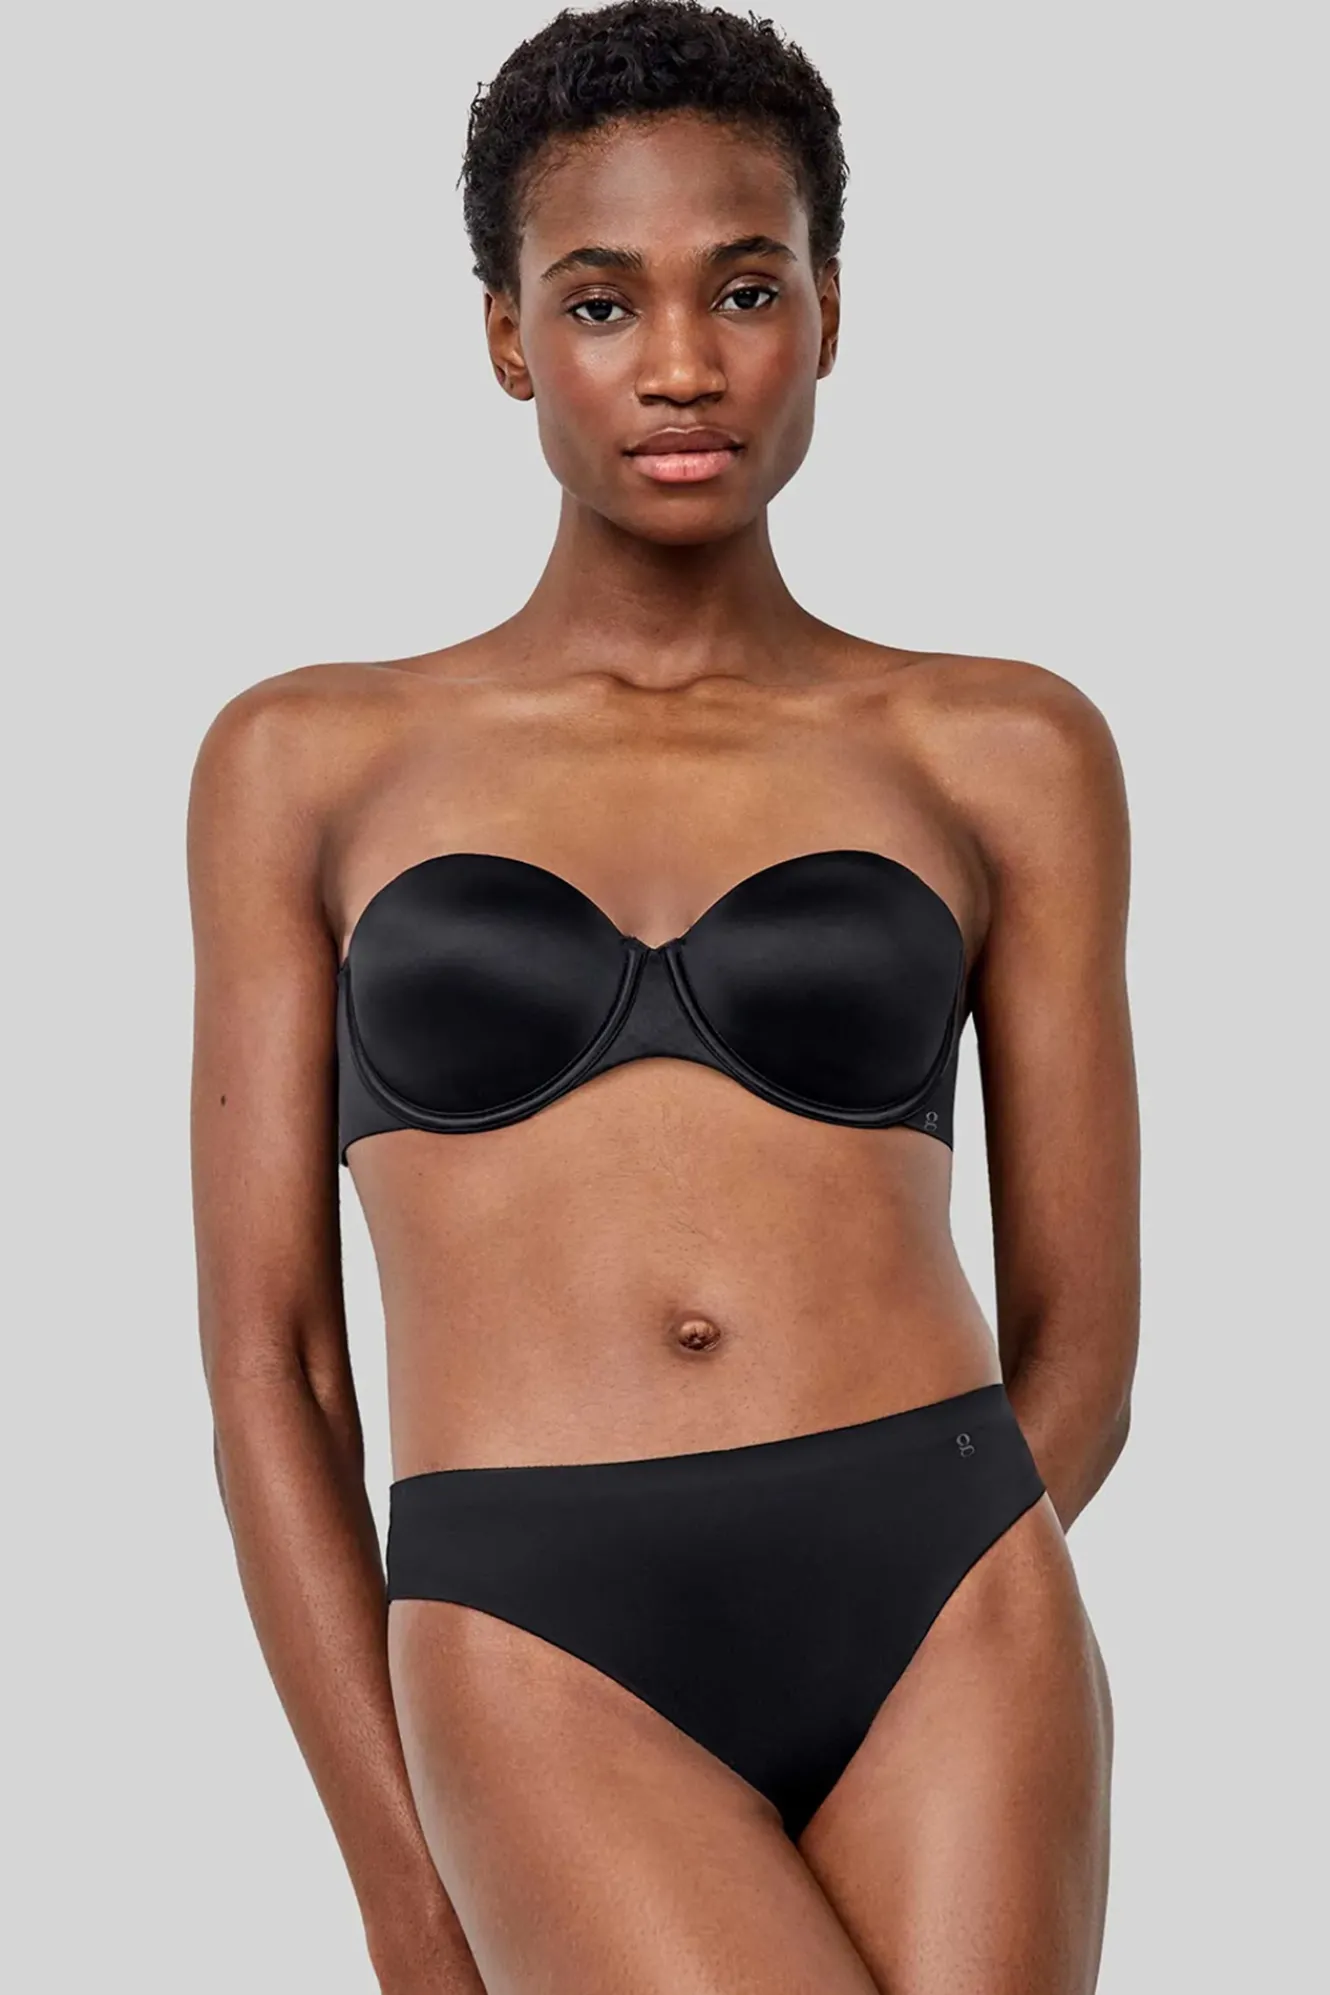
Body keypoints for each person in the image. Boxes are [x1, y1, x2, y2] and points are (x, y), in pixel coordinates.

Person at [188, 5, 1139, 1990]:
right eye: (602, 301)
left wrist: (961, 1547)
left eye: (746, 288)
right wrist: (400, 1876)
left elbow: (1084, 1333)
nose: (683, 365)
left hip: (947, 1605)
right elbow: (275, 1361)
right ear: (506, 335)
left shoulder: (1002, 747)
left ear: (828, 314)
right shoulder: (307, 760)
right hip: (533, 1634)